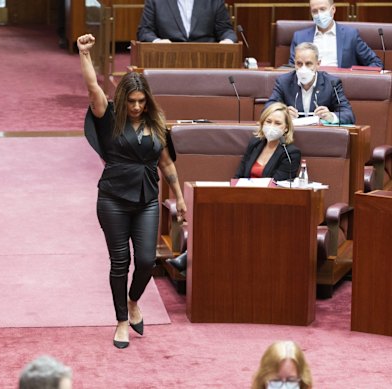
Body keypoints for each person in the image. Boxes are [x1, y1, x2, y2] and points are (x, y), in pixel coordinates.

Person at [78, 34, 187, 349]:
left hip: (147, 199)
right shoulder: (108, 116)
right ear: (123, 98)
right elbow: (91, 87)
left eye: (142, 101)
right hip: (112, 197)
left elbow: (166, 164)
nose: (137, 107)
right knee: (120, 261)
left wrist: (179, 198)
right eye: (132, 101)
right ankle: (122, 320)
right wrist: (84, 54)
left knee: (146, 260)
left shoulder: (157, 124)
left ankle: (133, 299)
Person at [167, 103, 301, 272]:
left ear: (286, 128)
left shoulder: (290, 152)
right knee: (213, 212)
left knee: (226, 221)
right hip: (242, 200)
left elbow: (278, 184)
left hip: (269, 207)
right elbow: (239, 175)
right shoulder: (255, 144)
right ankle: (196, 263)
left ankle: (190, 259)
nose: (272, 127)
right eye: (268, 121)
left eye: (277, 123)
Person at [267, 42, 355, 125]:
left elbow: (348, 115)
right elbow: (267, 109)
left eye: (308, 64)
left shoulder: (332, 83)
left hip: (321, 135)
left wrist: (331, 116)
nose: (303, 69)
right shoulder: (284, 82)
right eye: (299, 64)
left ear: (318, 64)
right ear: (294, 63)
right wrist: (283, 114)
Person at [289, 0, 383, 69]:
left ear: (333, 9)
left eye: (322, 9)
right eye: (314, 11)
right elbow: (292, 68)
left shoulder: (350, 35)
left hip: (340, 87)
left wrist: (355, 76)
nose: (319, 14)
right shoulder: (300, 37)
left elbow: (376, 63)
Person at [137, 0, 237, 44]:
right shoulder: (156, 1)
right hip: (168, 58)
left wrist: (227, 41)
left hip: (206, 59)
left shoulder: (213, 1)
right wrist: (157, 42)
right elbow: (145, 31)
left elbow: (225, 30)